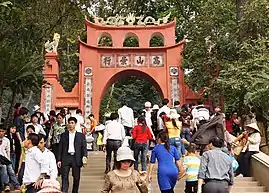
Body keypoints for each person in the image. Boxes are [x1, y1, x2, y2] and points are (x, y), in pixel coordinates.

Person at [57, 117, 87, 193]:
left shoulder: (81, 136)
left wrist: (85, 157)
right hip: (66, 157)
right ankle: (64, 191)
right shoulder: (63, 135)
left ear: (75, 124)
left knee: (76, 177)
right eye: (69, 123)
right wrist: (59, 159)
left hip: (76, 157)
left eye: (72, 123)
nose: (70, 125)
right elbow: (60, 147)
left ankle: (75, 191)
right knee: (64, 176)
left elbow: (84, 147)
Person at [0, 125, 21, 191]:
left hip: (4, 158)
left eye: (2, 131)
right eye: (0, 131)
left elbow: (8, 150)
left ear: (5, 132)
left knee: (11, 170)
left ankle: (16, 185)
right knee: (4, 168)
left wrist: (8, 160)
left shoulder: (6, 140)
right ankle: (6, 185)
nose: (1, 133)